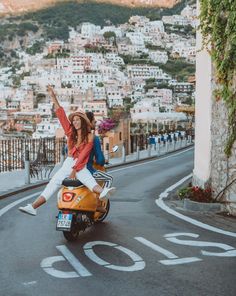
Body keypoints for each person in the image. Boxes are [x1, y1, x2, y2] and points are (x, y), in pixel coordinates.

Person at [19, 86, 115, 216]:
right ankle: (33, 206)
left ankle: (103, 193)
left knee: (89, 181)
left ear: (83, 121)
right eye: (73, 120)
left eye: (77, 119)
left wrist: (75, 170)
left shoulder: (89, 137)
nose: (75, 122)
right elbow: (61, 114)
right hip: (69, 163)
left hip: (79, 165)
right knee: (52, 184)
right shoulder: (70, 132)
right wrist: (53, 97)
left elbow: (84, 155)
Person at [85, 111, 113, 189]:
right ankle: (101, 197)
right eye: (94, 120)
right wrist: (99, 161)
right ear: (89, 123)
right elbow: (100, 160)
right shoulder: (94, 138)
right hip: (88, 171)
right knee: (109, 178)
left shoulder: (76, 137)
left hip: (72, 173)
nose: (95, 122)